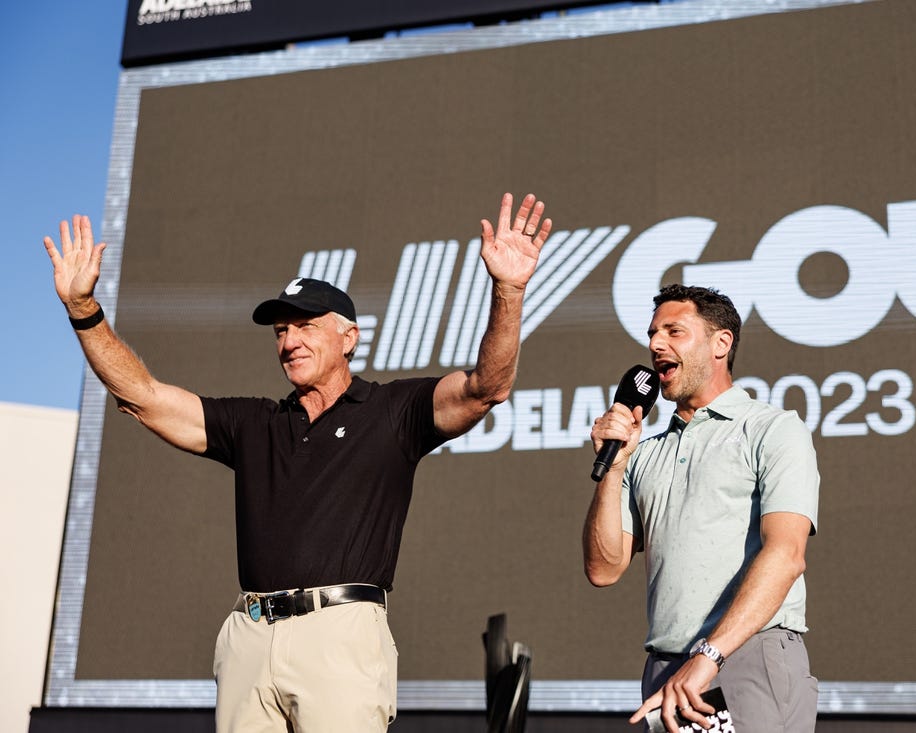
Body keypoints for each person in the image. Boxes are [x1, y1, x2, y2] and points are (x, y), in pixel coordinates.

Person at [43, 193, 552, 733]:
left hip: (339, 634)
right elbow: (144, 397)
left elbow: (485, 388)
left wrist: (509, 289)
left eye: (306, 325)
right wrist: (84, 311)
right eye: (281, 330)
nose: (289, 341)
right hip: (250, 635)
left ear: (349, 337)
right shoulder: (256, 423)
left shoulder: (391, 412)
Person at [583, 284, 820, 733]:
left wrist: (710, 656)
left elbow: (787, 555)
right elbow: (603, 568)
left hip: (745, 655)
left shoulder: (772, 429)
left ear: (721, 343)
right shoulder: (645, 453)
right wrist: (613, 468)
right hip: (666, 668)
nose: (656, 345)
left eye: (674, 331)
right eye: (653, 334)